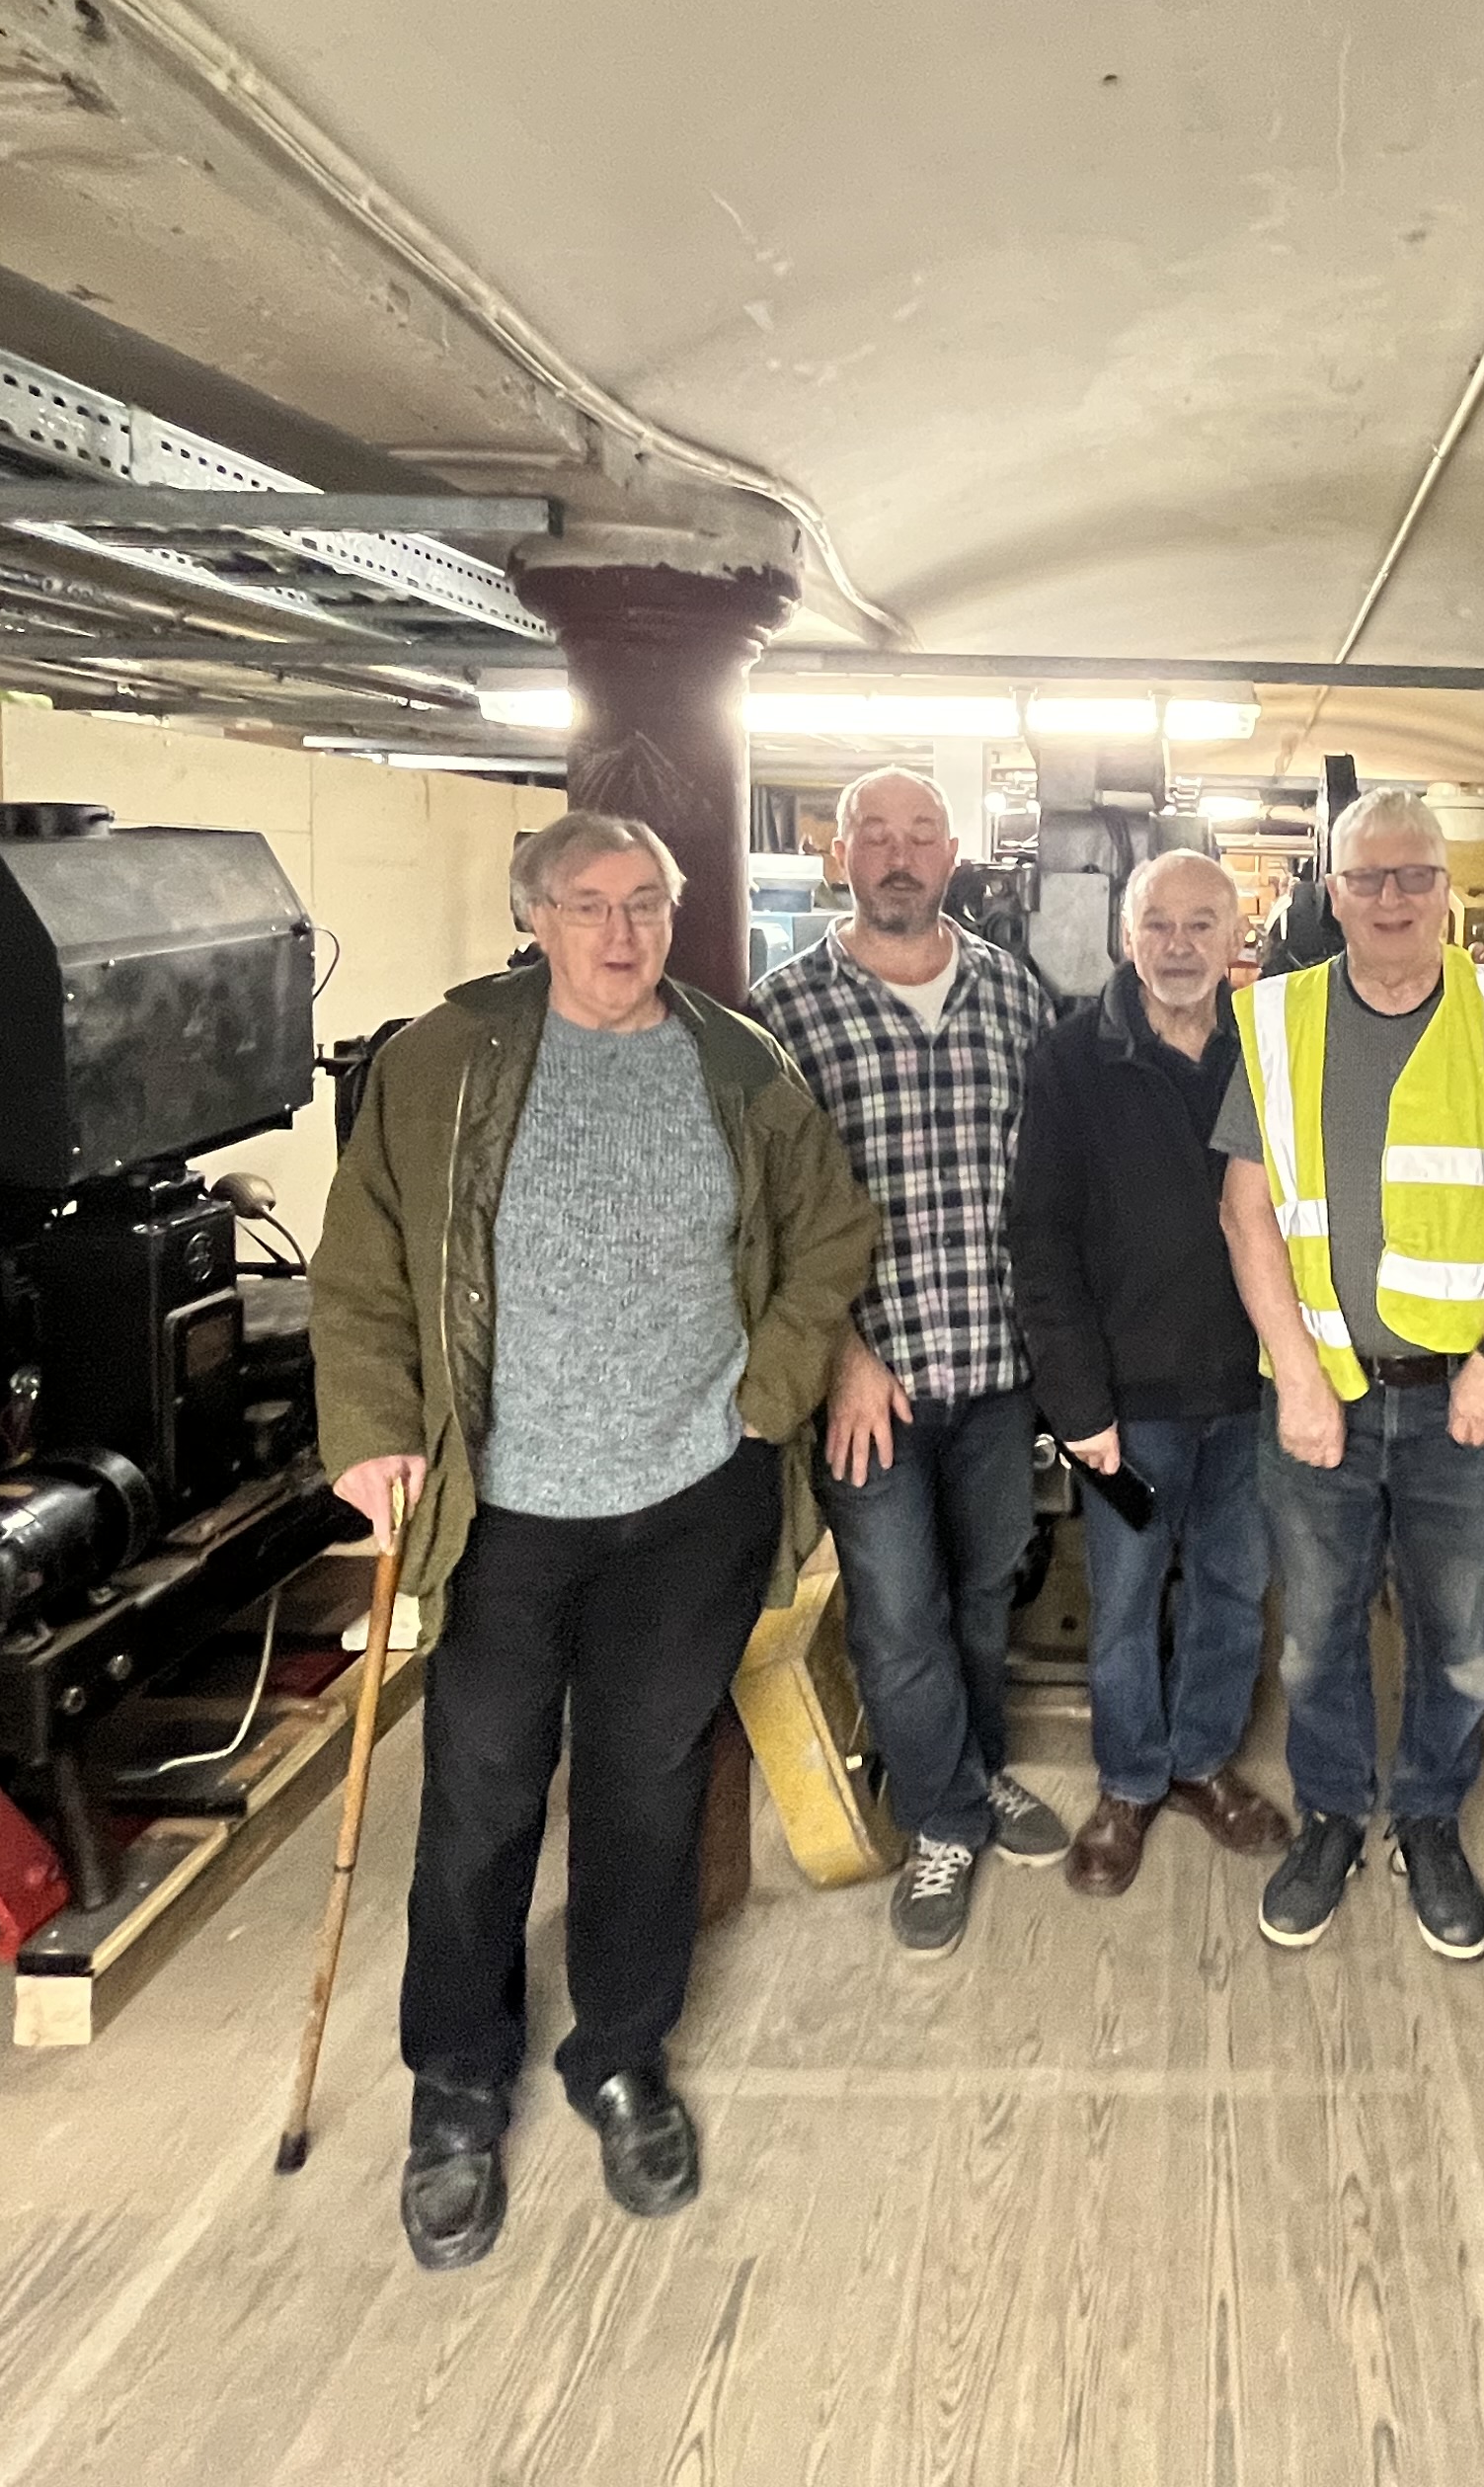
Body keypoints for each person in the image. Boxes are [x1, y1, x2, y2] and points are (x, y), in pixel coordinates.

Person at [312, 812, 876, 2271]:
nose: (621, 932)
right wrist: (375, 1425)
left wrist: (768, 1397)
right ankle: (455, 2084)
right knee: (483, 1795)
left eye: (644, 904)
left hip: (690, 1500)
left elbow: (829, 1233)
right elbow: (363, 1258)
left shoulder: (740, 1065)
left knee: (645, 1791)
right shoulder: (443, 1063)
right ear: (535, 917)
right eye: (587, 905)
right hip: (503, 1507)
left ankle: (622, 2056)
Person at [1214, 787, 1484, 1956]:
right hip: (1323, 1396)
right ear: (1330, 896)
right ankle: (1332, 1813)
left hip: (1463, 1400)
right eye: (1366, 879)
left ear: (1446, 892)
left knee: (1459, 1637)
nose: (1390, 898)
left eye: (1412, 877)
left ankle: (1426, 1817)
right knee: (1317, 1636)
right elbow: (1247, 1214)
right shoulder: (1274, 1022)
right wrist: (1297, 1377)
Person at [749, 767, 1064, 1958]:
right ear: (841, 856)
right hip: (867, 1380)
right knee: (897, 1613)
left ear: (950, 856)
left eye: (919, 834)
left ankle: (973, 1775)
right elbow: (763, 1217)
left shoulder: (1012, 995)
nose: (896, 853)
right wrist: (838, 1352)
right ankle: (941, 1816)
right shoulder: (781, 1014)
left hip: (993, 1365)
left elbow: (1041, 1184)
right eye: (873, 835)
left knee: (985, 1592)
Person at [1006, 849, 1292, 1894]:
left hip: (1253, 1396)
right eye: (1158, 925)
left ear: (1234, 939)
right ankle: (1127, 1783)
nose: (1178, 945)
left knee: (1231, 1591)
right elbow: (1038, 1241)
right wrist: (1078, 1405)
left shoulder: (1269, 1055)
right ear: (1128, 937)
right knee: (1124, 1604)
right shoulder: (1072, 1060)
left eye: (1201, 925)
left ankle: (1202, 1764)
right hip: (1127, 1410)